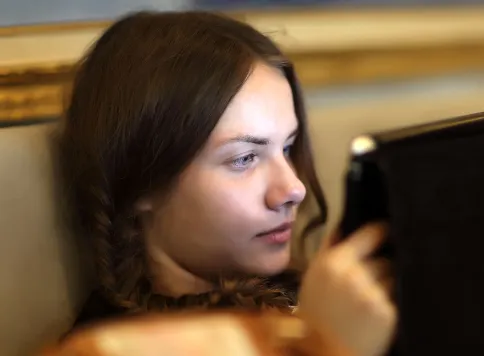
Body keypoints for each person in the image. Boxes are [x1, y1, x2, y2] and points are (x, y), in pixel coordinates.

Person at [57, 10, 395, 356]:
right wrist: (322, 342)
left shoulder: (307, 298)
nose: (294, 189)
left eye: (288, 147)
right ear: (143, 180)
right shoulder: (112, 347)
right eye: (244, 158)